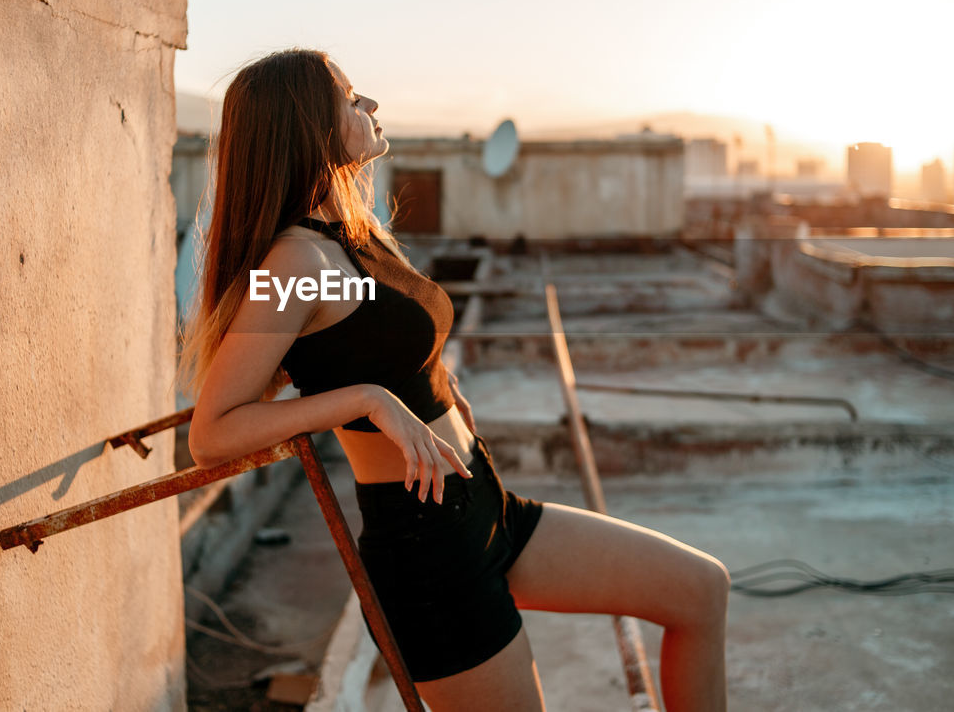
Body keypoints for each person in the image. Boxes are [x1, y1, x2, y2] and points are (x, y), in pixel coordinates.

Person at [178, 48, 729, 712]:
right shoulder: (296, 260)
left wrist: (434, 382)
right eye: (350, 99)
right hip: (428, 554)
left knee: (699, 589)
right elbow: (214, 431)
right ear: (310, 128)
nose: (370, 105)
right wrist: (366, 399)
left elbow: (373, 341)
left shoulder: (349, 236)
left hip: (486, 506)